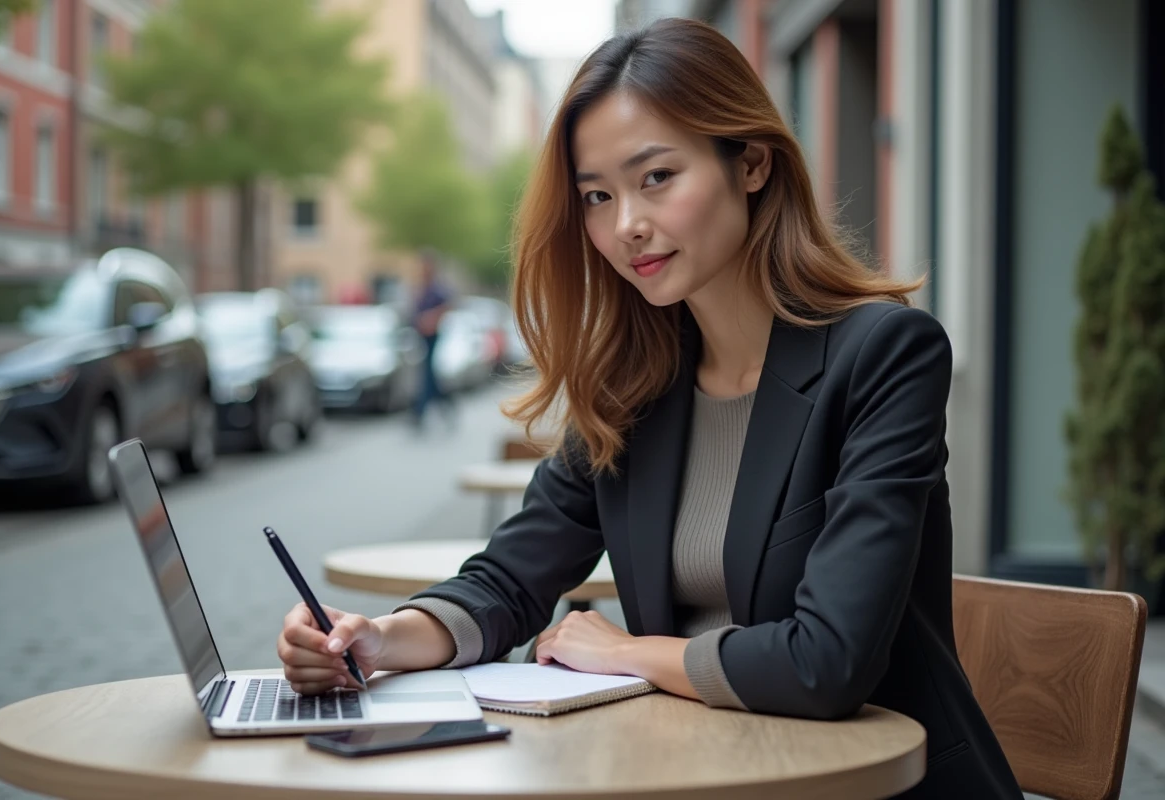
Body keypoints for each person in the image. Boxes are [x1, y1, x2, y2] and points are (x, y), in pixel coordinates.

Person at [278, 18, 1020, 799]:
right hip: (693, 773)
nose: (625, 223)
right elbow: (509, 582)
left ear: (753, 163)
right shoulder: (632, 385)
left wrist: (630, 653)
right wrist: (378, 640)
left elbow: (826, 661)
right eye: (598, 195)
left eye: (656, 177)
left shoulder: (884, 357)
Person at [409, 250, 455, 430]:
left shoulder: (437, 288)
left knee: (427, 374)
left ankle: (419, 412)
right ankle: (446, 405)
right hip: (421, 335)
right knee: (430, 375)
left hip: (433, 335)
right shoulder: (421, 288)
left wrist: (431, 318)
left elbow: (447, 306)